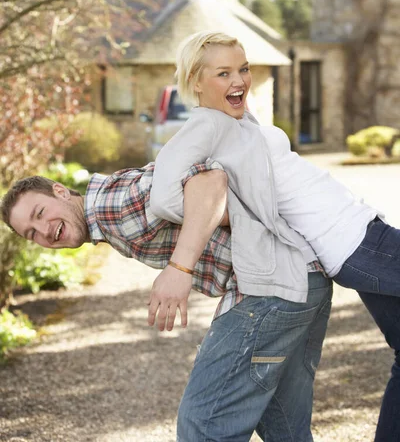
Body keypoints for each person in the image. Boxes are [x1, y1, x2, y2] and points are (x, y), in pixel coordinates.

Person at [149, 30, 400, 442]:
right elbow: (165, 197)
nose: (239, 81)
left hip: (359, 236)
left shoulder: (236, 120)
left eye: (243, 69)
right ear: (195, 81)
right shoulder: (204, 126)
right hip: (353, 242)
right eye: (223, 73)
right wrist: (240, 215)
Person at [1, 160, 331, 441]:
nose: (43, 230)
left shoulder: (111, 205)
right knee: (282, 421)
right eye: (32, 233)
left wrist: (180, 267)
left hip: (272, 286)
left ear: (60, 190)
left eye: (40, 213)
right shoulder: (108, 211)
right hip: (304, 279)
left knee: (203, 422)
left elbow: (209, 178)